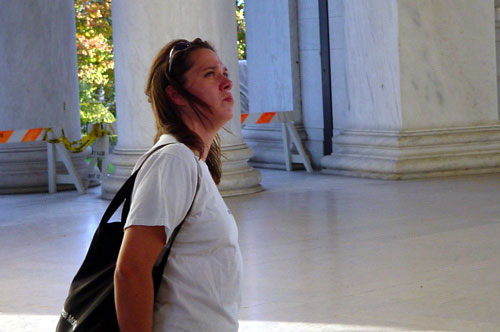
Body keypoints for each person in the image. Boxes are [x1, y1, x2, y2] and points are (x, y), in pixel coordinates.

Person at [114, 38, 242, 332]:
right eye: (210, 74)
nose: (226, 83)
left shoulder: (194, 164)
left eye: (224, 73)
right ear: (176, 94)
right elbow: (131, 271)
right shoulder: (173, 159)